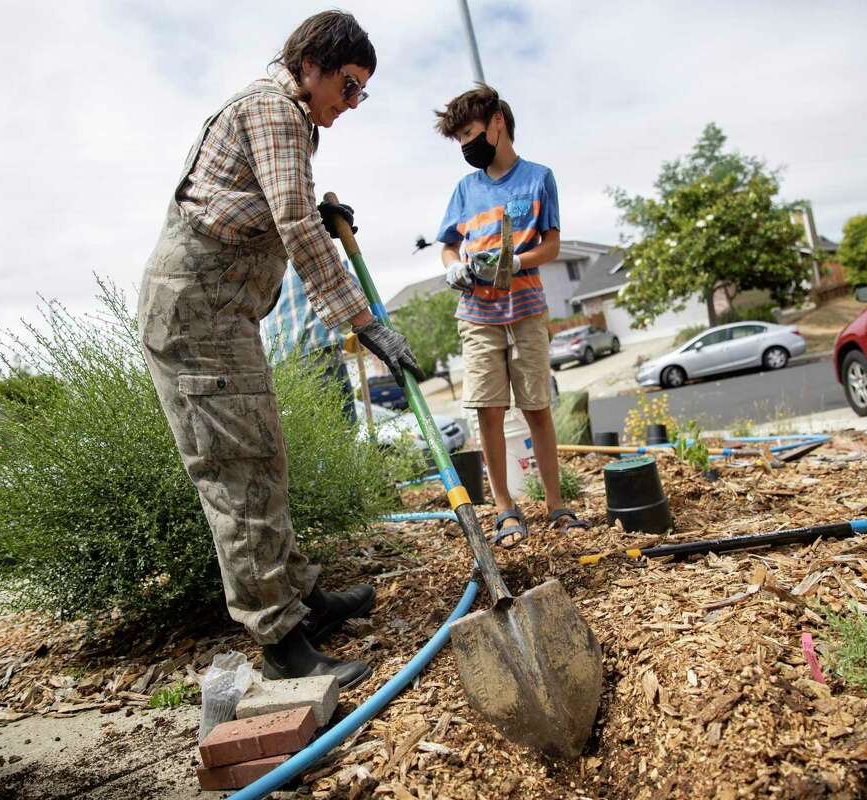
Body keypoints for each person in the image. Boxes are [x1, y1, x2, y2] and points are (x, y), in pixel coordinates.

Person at [137, 11, 421, 689]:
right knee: (237, 474)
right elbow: (293, 223)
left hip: (220, 317)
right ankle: (282, 643)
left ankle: (303, 600)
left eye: (361, 95)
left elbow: (249, 208)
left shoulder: (280, 114)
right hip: (197, 319)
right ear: (312, 65)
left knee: (263, 455)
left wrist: (308, 218)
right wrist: (365, 322)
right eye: (348, 87)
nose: (350, 106)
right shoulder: (276, 113)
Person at [433, 84, 589, 548]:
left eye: (469, 132)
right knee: (489, 412)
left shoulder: (539, 178)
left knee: (537, 407)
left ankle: (556, 505)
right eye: (458, 138)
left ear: (497, 121)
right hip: (478, 314)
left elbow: (553, 245)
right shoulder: (465, 189)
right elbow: (446, 246)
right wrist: (453, 268)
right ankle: (505, 508)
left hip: (525, 308)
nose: (465, 145)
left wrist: (518, 261)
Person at [260, 262, 357, 422]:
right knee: (340, 429)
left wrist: (341, 338)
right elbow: (349, 287)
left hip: (280, 367)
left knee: (309, 436)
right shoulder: (308, 249)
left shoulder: (267, 265)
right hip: (317, 357)